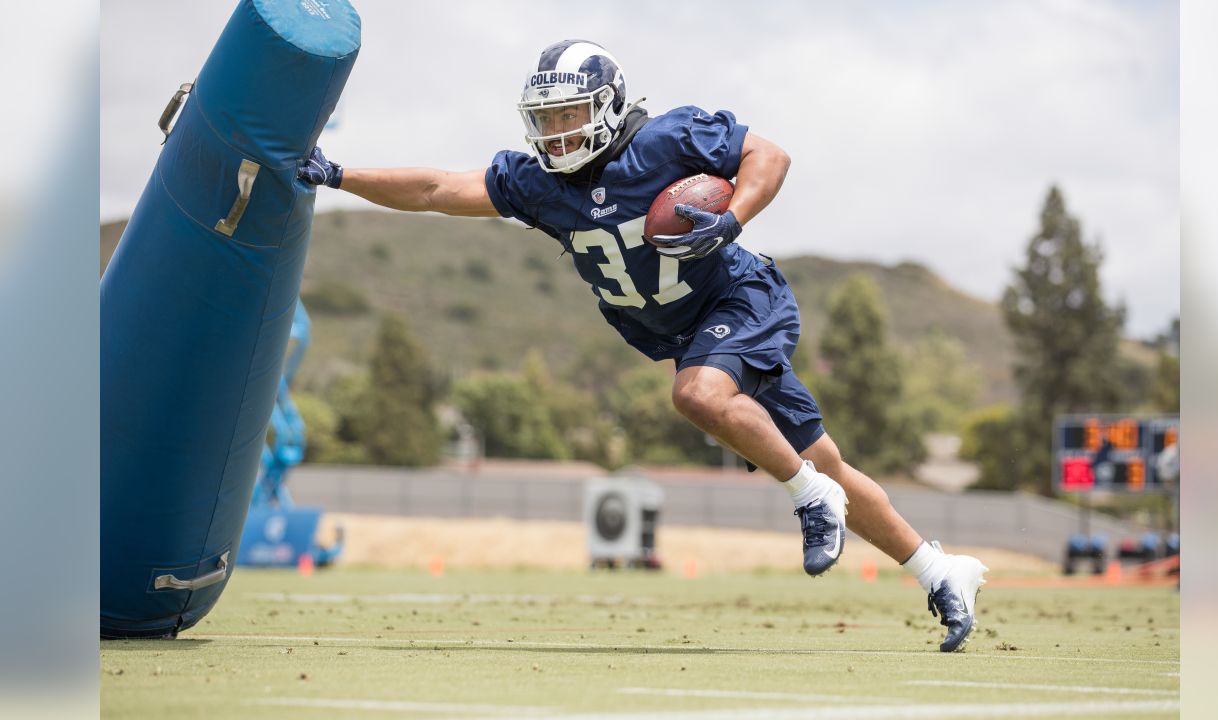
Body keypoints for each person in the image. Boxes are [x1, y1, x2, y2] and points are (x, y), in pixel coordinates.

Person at [299, 39, 988, 651]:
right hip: (687, 330)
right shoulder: (540, 185)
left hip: (737, 300)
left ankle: (810, 499)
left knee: (698, 395)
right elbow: (434, 189)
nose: (557, 131)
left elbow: (768, 155)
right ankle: (941, 571)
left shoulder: (665, 140)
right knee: (827, 458)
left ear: (606, 105)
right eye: (547, 119)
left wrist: (733, 218)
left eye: (570, 114)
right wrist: (338, 176)